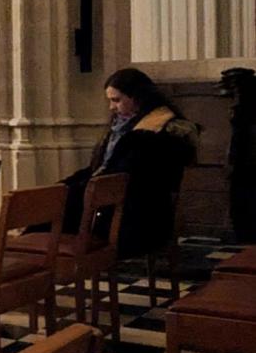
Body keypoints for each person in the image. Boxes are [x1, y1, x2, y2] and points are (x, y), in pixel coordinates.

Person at [60, 68, 198, 257]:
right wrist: (65, 186)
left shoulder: (157, 133)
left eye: (116, 100)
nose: (111, 107)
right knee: (56, 199)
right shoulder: (122, 128)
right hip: (112, 200)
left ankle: (52, 266)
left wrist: (75, 191)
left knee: (57, 212)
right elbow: (100, 168)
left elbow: (126, 178)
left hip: (139, 216)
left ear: (138, 98)